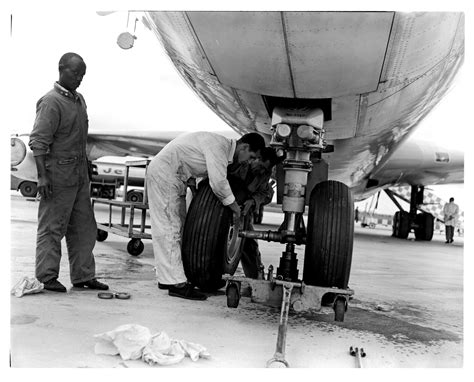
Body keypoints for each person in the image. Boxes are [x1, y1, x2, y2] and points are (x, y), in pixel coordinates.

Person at [147, 131, 265, 300]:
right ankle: (175, 284)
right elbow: (218, 183)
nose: (249, 161)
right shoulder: (219, 147)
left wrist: (193, 189)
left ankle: (168, 278)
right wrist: (235, 209)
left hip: (175, 177)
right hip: (165, 176)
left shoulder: (221, 148)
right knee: (169, 228)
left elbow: (188, 161)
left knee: (179, 227)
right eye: (251, 156)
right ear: (244, 147)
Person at [28, 52, 108, 293]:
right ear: (61, 69)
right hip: (57, 177)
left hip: (79, 176)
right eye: (75, 73)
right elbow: (39, 142)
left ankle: (83, 276)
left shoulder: (79, 99)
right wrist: (42, 176)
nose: (79, 78)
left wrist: (86, 170)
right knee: (52, 227)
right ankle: (46, 277)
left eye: (82, 74)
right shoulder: (51, 102)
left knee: (84, 228)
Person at [228, 147, 280, 278]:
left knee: (249, 244)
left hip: (242, 213)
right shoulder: (236, 162)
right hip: (222, 205)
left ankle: (256, 280)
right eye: (261, 166)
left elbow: (266, 193)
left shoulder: (263, 173)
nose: (262, 171)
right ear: (256, 158)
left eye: (266, 170)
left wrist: (253, 200)